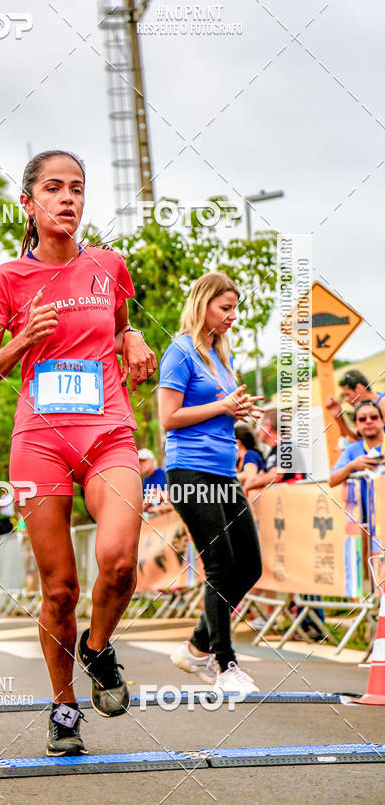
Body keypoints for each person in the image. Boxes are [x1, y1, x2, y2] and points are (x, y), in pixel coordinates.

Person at [0, 149, 156, 755]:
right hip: (41, 442)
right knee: (59, 589)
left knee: (121, 559)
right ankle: (63, 707)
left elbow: (121, 319)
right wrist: (22, 339)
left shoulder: (108, 265)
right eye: (54, 188)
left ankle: (98, 649)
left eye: (78, 188)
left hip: (107, 431)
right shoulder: (7, 280)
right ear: (29, 202)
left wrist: (132, 337)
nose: (68, 199)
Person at [159, 271, 263, 694]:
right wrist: (221, 404)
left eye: (235, 308)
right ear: (202, 305)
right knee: (219, 566)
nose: (232, 316)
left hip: (224, 471)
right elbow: (168, 417)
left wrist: (233, 410)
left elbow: (216, 410)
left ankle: (196, 647)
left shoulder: (221, 356)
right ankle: (226, 665)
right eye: (226, 308)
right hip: (190, 470)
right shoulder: (180, 352)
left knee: (250, 566)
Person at [243, 408, 306, 495]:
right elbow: (262, 475)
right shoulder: (273, 451)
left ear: (268, 427)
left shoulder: (287, 445)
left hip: (296, 499)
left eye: (259, 426)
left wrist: (248, 486)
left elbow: (276, 475)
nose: (257, 431)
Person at [325, 370, 385, 443]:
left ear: (359, 388)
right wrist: (338, 417)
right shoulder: (366, 408)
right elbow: (359, 440)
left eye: (347, 394)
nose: (345, 400)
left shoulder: (382, 406)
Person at [138, 448, 171, 515]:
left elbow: (152, 494)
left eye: (144, 461)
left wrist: (138, 511)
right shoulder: (146, 478)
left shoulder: (159, 473)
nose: (141, 464)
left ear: (152, 461)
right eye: (138, 461)